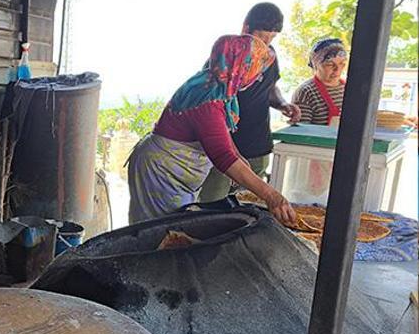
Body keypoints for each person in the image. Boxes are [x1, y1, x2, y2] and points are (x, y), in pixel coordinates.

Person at [127, 34, 296, 225]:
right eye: (256, 69)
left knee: (174, 229)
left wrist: (239, 155)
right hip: (161, 173)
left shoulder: (219, 85)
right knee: (156, 233)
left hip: (175, 171)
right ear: (241, 65)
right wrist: (272, 196)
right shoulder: (207, 99)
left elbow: (220, 133)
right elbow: (223, 157)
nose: (258, 77)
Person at [199, 3, 301, 203]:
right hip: (223, 149)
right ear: (246, 28)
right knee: (212, 205)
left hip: (257, 146)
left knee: (248, 208)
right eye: (262, 37)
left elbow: (270, 88)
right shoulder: (224, 60)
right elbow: (210, 108)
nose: (266, 44)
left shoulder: (270, 57)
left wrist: (282, 104)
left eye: (272, 38)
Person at [292, 38, 348, 125]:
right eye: (330, 64)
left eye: (342, 63)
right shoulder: (306, 92)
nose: (337, 70)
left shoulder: (349, 89)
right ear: (315, 65)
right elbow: (301, 133)